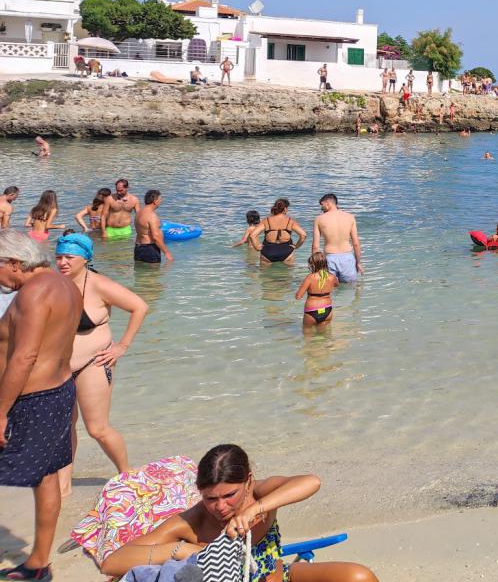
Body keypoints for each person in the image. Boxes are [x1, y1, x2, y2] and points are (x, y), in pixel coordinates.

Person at [100, 443, 378, 582]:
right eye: (211, 498)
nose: (220, 507)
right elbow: (112, 563)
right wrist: (178, 550)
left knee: (359, 576)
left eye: (229, 495)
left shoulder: (260, 495)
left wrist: (256, 509)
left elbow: (311, 482)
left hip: (279, 577)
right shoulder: (193, 521)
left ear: (248, 481)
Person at [0, 229, 81, 580]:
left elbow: (25, 356)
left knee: (42, 476)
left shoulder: (33, 293)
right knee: (46, 477)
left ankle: (38, 564)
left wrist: (0, 411)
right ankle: (38, 564)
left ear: (15, 263)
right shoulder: (66, 286)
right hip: (58, 393)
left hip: (29, 401)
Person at [53, 233, 148, 497]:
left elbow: (139, 306)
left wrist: (122, 346)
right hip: (58, 368)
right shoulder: (51, 284)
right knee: (62, 428)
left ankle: (126, 474)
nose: (62, 262)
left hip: (92, 364)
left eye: (68, 258)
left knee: (97, 428)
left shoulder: (98, 285)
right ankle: (63, 487)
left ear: (85, 258)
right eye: (58, 257)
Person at [312, 194, 362, 283]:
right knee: (351, 289)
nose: (321, 208)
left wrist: (316, 266)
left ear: (327, 203)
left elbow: (316, 246)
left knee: (328, 289)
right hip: (347, 258)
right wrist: (358, 263)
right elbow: (356, 243)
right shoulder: (350, 217)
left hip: (329, 258)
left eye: (321, 205)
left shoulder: (319, 219)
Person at [295, 252, 338, 328]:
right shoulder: (332, 277)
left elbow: (298, 297)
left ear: (314, 264)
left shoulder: (310, 277)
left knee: (307, 336)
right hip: (327, 309)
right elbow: (336, 285)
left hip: (312, 310)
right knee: (323, 336)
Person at [258, 199, 306, 266]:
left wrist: (256, 247)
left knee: (264, 275)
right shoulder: (290, 221)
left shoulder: (266, 220)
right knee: (287, 276)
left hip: (268, 251)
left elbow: (252, 235)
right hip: (286, 251)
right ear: (285, 209)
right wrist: (296, 246)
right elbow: (303, 235)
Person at [133, 189, 172, 264]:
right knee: (154, 274)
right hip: (150, 249)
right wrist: (166, 252)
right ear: (154, 201)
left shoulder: (139, 213)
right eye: (160, 199)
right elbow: (155, 237)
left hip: (138, 248)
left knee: (140, 274)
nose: (160, 202)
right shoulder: (152, 216)